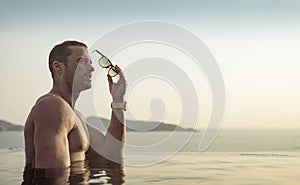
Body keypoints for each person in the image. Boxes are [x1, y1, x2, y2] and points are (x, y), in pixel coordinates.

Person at [22, 40, 127, 184]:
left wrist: (118, 101)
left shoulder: (76, 116)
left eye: (90, 63)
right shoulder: (52, 106)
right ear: (58, 67)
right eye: (82, 62)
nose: (92, 69)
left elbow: (111, 154)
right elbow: (52, 178)